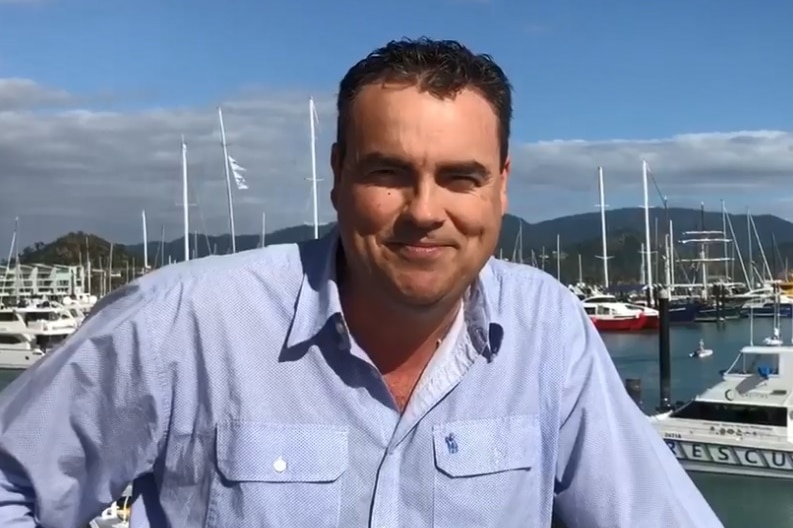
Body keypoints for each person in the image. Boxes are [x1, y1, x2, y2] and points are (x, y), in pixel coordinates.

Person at [0, 38, 723, 528]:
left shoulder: (545, 326)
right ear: (338, 175)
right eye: (388, 173)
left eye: (460, 178)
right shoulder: (181, 322)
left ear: (501, 188)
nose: (425, 212)